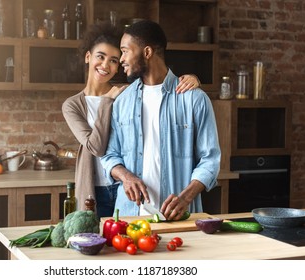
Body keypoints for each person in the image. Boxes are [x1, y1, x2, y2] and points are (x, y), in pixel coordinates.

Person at [62, 23, 201, 219]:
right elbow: (97, 147)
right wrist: (106, 100)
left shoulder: (125, 94)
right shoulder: (75, 104)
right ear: (88, 57)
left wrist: (193, 78)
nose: (105, 65)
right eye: (100, 57)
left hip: (122, 191)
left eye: (114, 60)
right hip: (96, 189)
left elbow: (156, 85)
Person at [100, 20, 221, 220]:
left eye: (125, 51)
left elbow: (210, 160)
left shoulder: (194, 99)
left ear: (147, 52)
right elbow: (110, 155)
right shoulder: (122, 101)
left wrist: (185, 198)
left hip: (179, 218)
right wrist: (126, 176)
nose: (121, 59)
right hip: (129, 217)